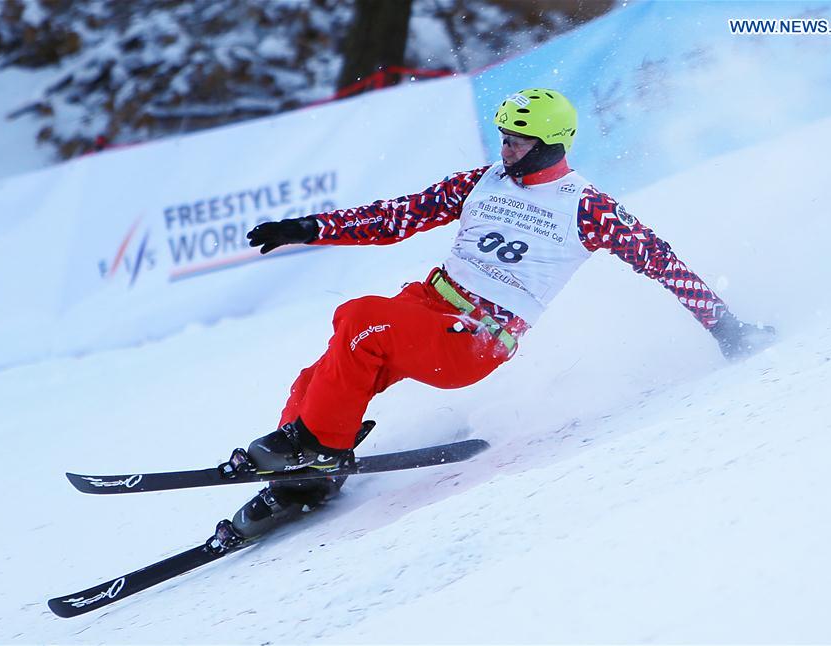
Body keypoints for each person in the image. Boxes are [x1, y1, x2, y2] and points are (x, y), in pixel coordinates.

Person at [231, 88, 776, 537]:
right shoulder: (483, 180)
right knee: (319, 374)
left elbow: (662, 262)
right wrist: (309, 228)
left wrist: (725, 326)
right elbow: (398, 217)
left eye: (518, 140)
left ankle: (319, 447)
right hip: (425, 308)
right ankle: (304, 480)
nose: (507, 149)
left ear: (551, 144)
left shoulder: (587, 207)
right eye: (503, 137)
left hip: (474, 337)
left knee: (360, 318)